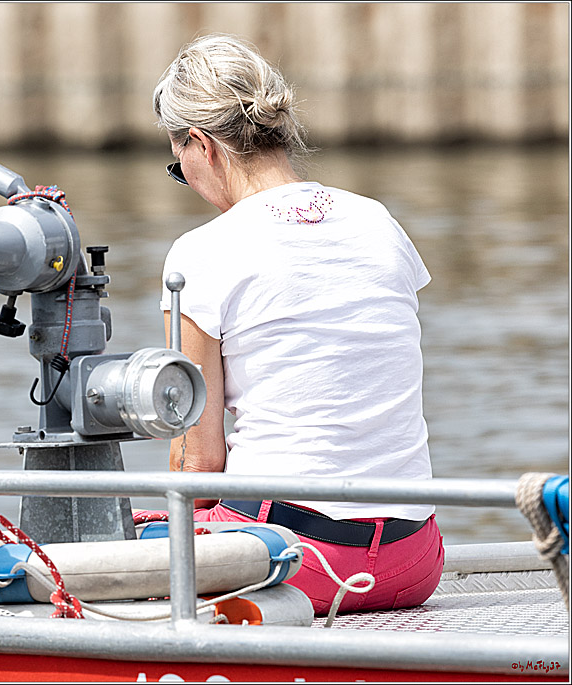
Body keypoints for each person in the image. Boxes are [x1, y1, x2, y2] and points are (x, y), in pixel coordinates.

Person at [150, 33, 444, 615]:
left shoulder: (199, 253)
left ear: (202, 145)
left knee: (109, 531)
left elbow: (198, 464)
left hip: (292, 560)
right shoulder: (378, 221)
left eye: (178, 167)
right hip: (414, 561)